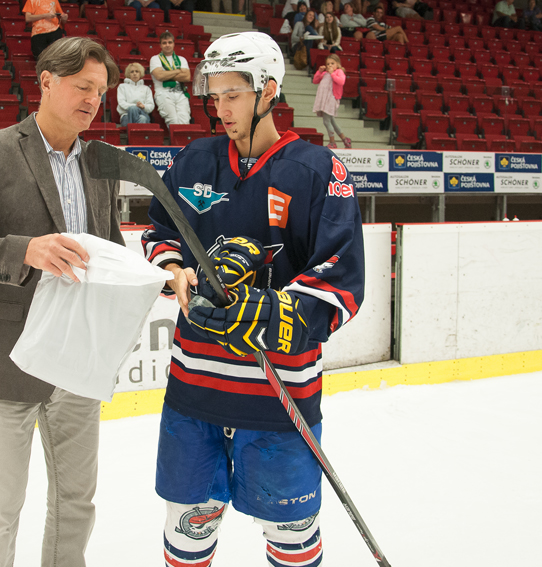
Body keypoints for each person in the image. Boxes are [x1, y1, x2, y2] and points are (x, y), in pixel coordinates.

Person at [142, 31, 364, 567]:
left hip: (278, 395)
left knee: (291, 539)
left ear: (267, 91)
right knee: (187, 530)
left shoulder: (317, 169)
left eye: (233, 95)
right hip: (194, 389)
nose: (220, 109)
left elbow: (342, 280)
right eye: (214, 95)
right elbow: (159, 234)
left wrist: (271, 311)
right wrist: (173, 271)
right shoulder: (193, 160)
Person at [0, 36, 122, 567]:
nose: (93, 100)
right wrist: (24, 251)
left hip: (78, 360)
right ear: (46, 81)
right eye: (83, 87)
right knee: (0, 507)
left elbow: (110, 251)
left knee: (76, 502)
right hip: (8, 356)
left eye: (100, 91)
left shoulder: (100, 164)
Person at [150, 32, 190, 125]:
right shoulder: (155, 59)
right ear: (160, 45)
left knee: (185, 122)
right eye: (164, 43)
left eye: (169, 42)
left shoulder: (182, 59)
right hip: (163, 93)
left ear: (174, 44)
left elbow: (187, 77)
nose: (167, 45)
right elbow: (159, 76)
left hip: (180, 93)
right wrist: (178, 71)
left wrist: (166, 74)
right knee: (173, 121)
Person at [313, 53, 350, 149]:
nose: (330, 66)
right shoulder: (325, 73)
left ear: (337, 64)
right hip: (324, 99)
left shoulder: (339, 72)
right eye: (328, 64)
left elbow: (341, 81)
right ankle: (345, 139)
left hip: (331, 99)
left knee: (326, 121)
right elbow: (315, 80)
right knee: (331, 121)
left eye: (332, 63)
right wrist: (319, 71)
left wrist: (332, 73)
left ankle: (332, 142)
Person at [117, 62, 154, 126]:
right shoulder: (122, 87)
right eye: (132, 72)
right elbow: (121, 103)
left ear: (140, 73)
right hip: (126, 115)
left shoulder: (146, 89)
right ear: (129, 74)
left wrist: (143, 106)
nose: (134, 73)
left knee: (143, 118)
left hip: (142, 113)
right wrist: (135, 106)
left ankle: (132, 130)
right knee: (135, 111)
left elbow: (151, 106)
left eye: (137, 71)